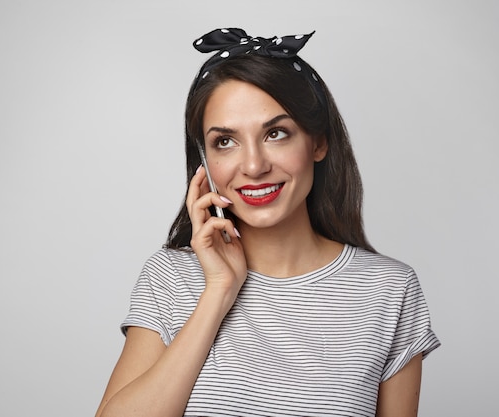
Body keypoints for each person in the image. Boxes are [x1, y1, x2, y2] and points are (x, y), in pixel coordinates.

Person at [95, 28, 440, 417]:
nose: (254, 166)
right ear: (204, 161)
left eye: (276, 133)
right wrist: (219, 291)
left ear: (318, 142)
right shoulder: (171, 277)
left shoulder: (389, 291)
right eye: (225, 141)